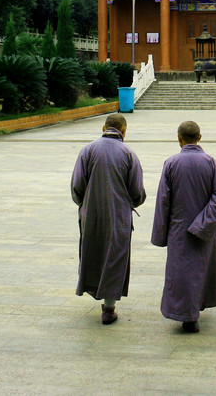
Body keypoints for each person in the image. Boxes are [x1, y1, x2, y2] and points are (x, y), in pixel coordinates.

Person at [151, 120, 216, 333]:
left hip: (179, 228)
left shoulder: (171, 163)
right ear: (200, 138)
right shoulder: (210, 162)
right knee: (202, 269)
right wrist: (204, 222)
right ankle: (196, 309)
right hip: (205, 229)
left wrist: (161, 234)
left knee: (182, 272)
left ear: (179, 139)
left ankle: (188, 315)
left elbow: (163, 201)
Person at [71, 113, 146, 325]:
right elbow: (137, 191)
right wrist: (130, 203)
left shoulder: (87, 151)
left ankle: (94, 290)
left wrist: (86, 204)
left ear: (103, 127)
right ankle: (109, 307)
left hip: (91, 212)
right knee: (115, 256)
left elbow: (77, 186)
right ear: (124, 131)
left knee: (93, 252)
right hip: (118, 214)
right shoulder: (129, 154)